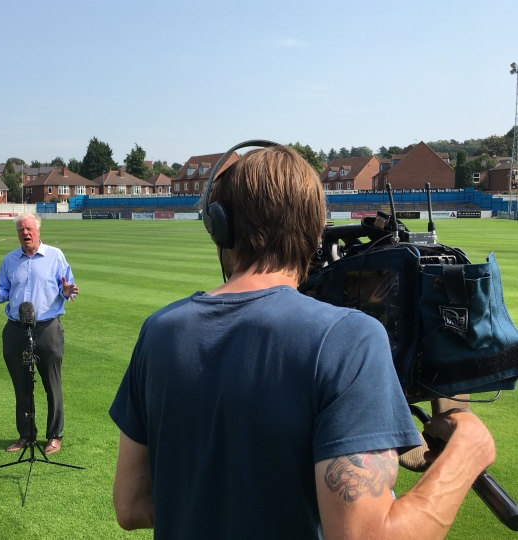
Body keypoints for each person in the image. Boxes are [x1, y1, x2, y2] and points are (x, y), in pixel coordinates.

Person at [109, 144, 496, 539]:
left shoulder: (158, 331)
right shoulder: (350, 338)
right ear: (314, 231)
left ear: (219, 225)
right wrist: (467, 453)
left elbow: (131, 505)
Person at [0, 213, 78, 455]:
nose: (25, 233)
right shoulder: (10, 260)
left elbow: (67, 287)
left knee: (52, 384)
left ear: (38, 231)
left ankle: (54, 436)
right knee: (21, 384)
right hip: (16, 329)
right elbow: (3, 292)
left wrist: (67, 290)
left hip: (47, 327)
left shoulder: (55, 256)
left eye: (29, 229)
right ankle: (26, 435)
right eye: (21, 230)